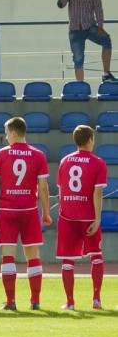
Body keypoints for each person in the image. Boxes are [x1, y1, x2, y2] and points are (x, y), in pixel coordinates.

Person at [0, 117, 51, 311]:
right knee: (33, 254)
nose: (6, 137)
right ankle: (35, 300)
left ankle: (11, 301)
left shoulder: (0, 154)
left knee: (8, 255)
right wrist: (46, 213)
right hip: (29, 210)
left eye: (7, 133)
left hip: (7, 210)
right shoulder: (38, 155)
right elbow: (43, 188)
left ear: (14, 133)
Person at [56, 125, 106, 310]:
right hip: (89, 216)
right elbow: (98, 192)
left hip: (68, 215)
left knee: (68, 260)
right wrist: (98, 218)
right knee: (96, 256)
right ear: (90, 140)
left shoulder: (64, 161)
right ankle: (96, 299)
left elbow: (61, 191)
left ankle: (70, 302)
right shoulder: (98, 163)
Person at [57, 0, 113, 83]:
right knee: (78, 59)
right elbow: (60, 4)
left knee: (106, 40)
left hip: (90, 26)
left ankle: (106, 74)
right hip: (75, 30)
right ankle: (80, 86)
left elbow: (98, 8)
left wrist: (100, 26)